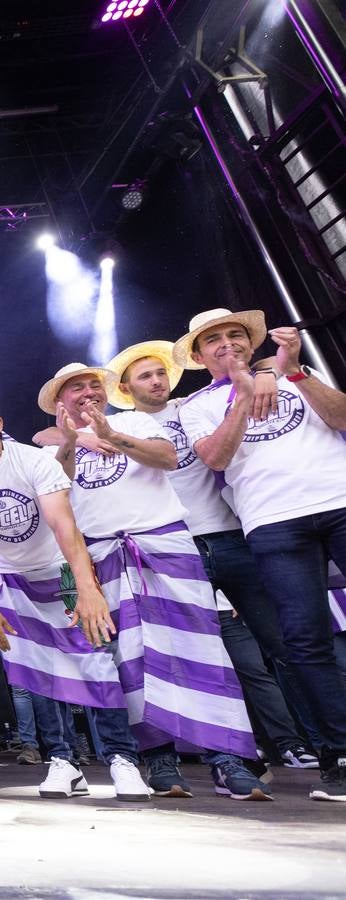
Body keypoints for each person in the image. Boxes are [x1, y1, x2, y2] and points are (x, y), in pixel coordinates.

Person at [34, 363, 267, 800]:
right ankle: (160, 759)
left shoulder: (134, 420)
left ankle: (227, 760)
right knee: (131, 659)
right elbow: (58, 494)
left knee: (200, 648)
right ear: (60, 403)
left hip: (166, 543)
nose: (86, 393)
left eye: (92, 385)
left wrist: (111, 435)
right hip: (103, 554)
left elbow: (168, 457)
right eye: (75, 389)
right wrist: (70, 441)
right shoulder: (54, 449)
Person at [106, 340, 319, 771]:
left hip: (229, 535)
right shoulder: (119, 428)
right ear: (127, 389)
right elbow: (56, 436)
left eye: (160, 373)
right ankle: (239, 748)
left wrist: (263, 371)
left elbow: (254, 373)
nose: (156, 381)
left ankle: (316, 744)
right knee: (213, 656)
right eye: (144, 376)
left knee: (281, 643)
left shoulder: (191, 406)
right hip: (174, 549)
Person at [0, 394, 154, 801]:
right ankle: (62, 761)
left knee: (95, 659)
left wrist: (87, 587)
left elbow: (64, 525)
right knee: (36, 671)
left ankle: (121, 759)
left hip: (60, 568)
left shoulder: (34, 461)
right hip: (12, 579)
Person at [175, 308, 346, 800]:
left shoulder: (293, 374)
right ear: (200, 355)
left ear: (250, 343)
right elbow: (215, 458)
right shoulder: (198, 406)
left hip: (339, 501)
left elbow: (341, 417)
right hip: (271, 523)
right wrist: (243, 396)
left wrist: (292, 372)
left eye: (235, 335)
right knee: (305, 640)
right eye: (214, 341)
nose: (226, 344)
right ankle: (339, 753)